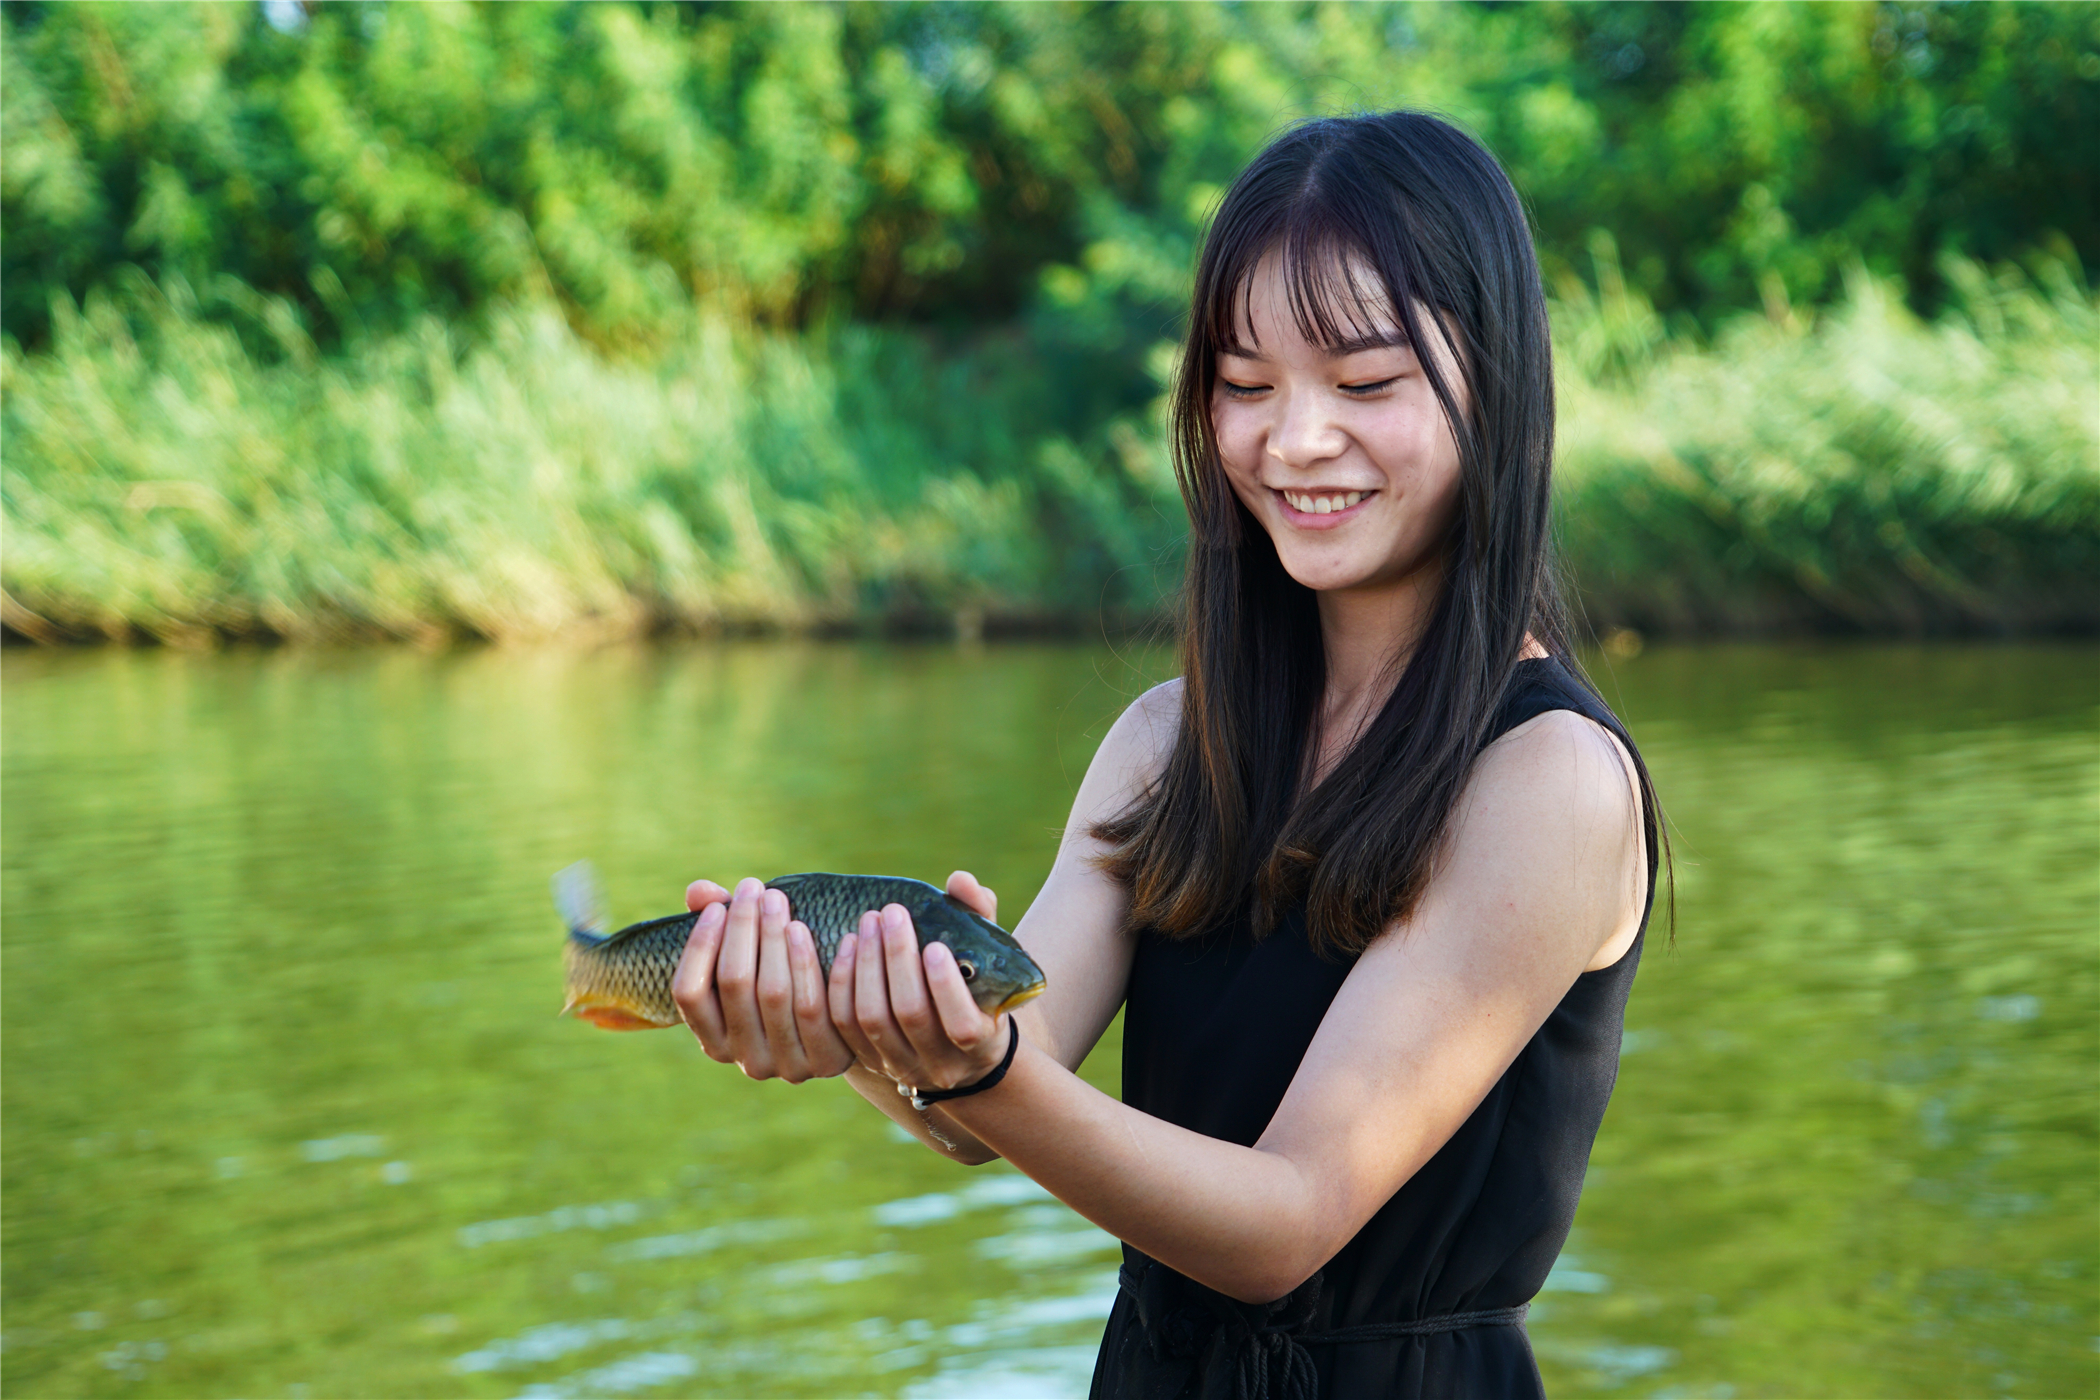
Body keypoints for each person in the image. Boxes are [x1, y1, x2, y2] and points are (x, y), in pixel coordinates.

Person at [670, 110, 1662, 1399]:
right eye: (1245, 385)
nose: (1293, 440)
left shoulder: (1551, 780)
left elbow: (1288, 1221)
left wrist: (976, 1068)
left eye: (1365, 384)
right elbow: (983, 1107)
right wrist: (864, 1033)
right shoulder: (1164, 740)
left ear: (1502, 388)